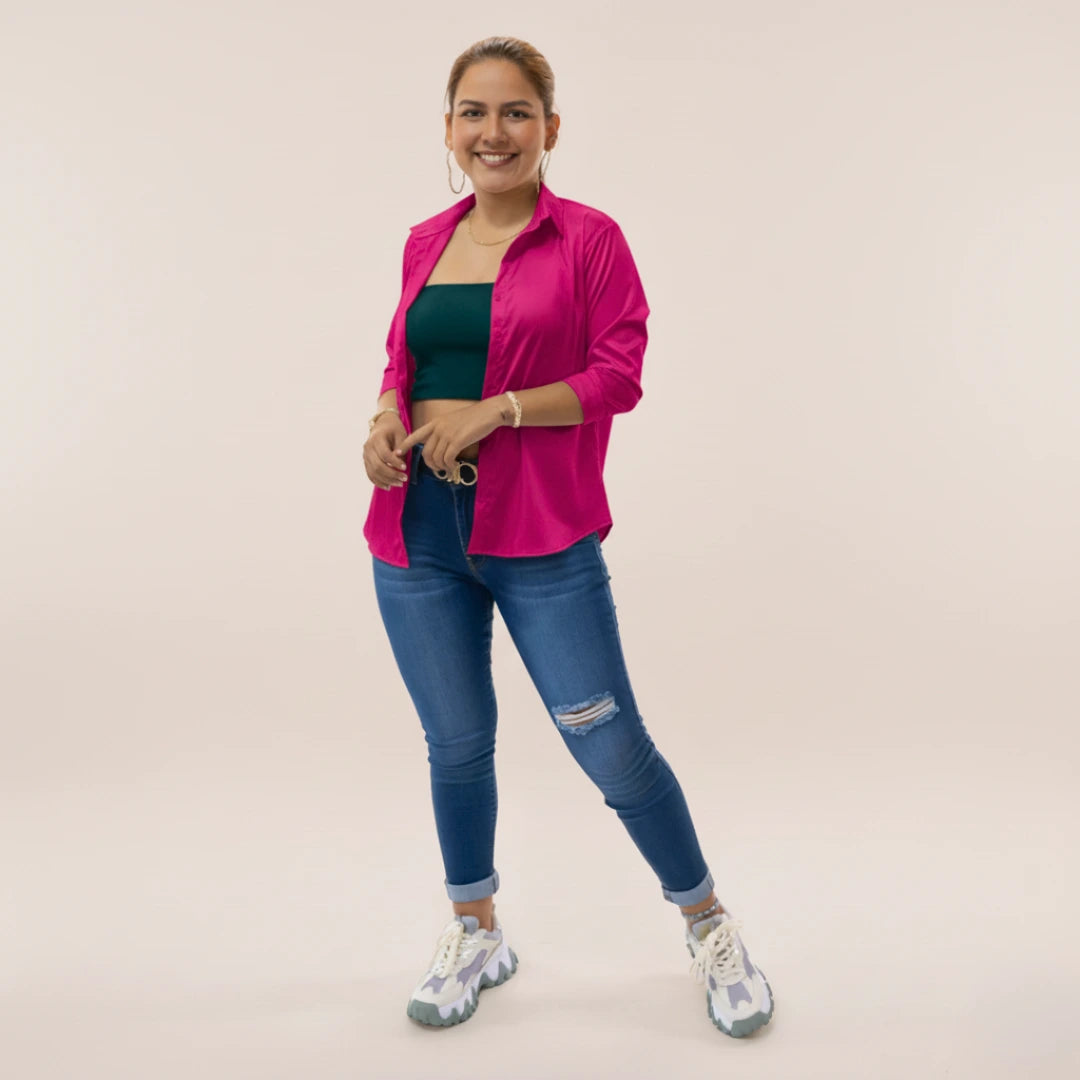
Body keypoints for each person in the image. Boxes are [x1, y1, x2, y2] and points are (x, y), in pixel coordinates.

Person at [362, 35, 775, 1038]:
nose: (493, 132)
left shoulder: (590, 239)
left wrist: (499, 410)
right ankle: (477, 931)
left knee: (608, 740)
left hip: (539, 534)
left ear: (550, 128)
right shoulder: (424, 240)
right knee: (456, 744)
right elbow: (403, 360)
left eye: (515, 113)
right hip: (417, 533)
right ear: (448, 128)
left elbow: (616, 376)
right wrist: (382, 417)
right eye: (473, 112)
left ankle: (708, 923)